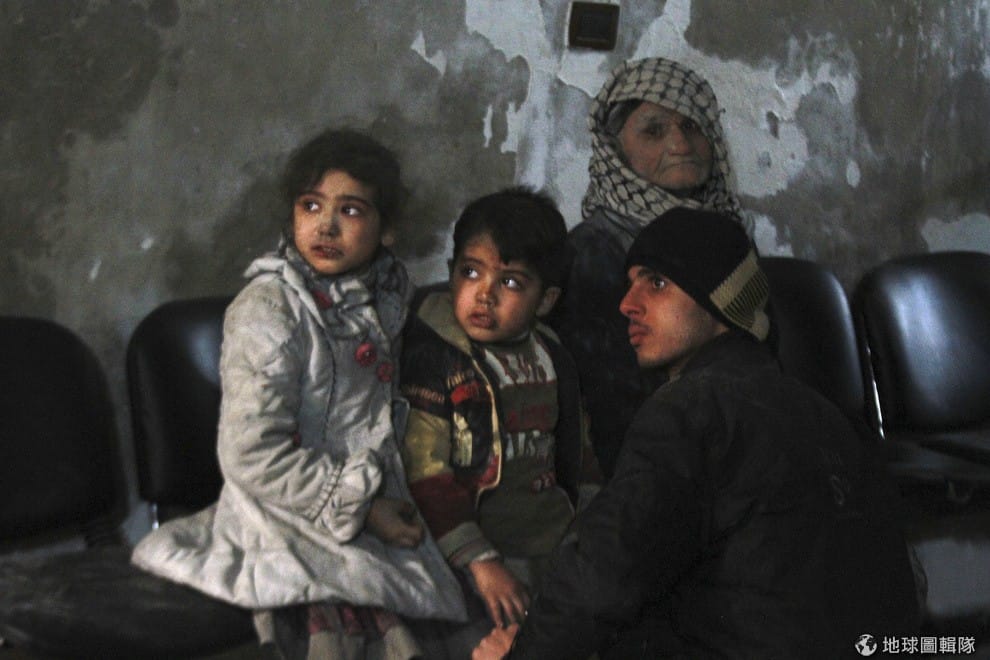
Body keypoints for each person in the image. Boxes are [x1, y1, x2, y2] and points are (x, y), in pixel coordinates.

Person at [474, 208, 920, 659]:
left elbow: (601, 577)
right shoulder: (826, 413)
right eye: (630, 283)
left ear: (720, 301)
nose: (627, 303)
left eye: (656, 283)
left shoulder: (690, 409)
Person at [131, 128, 465, 659]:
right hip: (288, 512)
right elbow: (251, 454)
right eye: (311, 205)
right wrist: (362, 509)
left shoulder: (382, 299)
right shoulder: (271, 310)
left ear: (387, 230)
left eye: (350, 210)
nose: (325, 226)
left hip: (378, 508)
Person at [399, 187, 601, 658]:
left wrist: (592, 530)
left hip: (554, 545)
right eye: (470, 272)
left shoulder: (552, 355)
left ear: (545, 300)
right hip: (472, 555)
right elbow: (424, 470)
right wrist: (481, 562)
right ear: (451, 272)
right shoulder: (436, 357)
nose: (484, 294)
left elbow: (580, 453)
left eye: (509, 282)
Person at [549, 56, 743, 479]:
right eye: (654, 131)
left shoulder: (725, 236)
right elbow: (612, 408)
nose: (680, 144)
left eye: (692, 126)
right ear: (615, 152)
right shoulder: (593, 253)